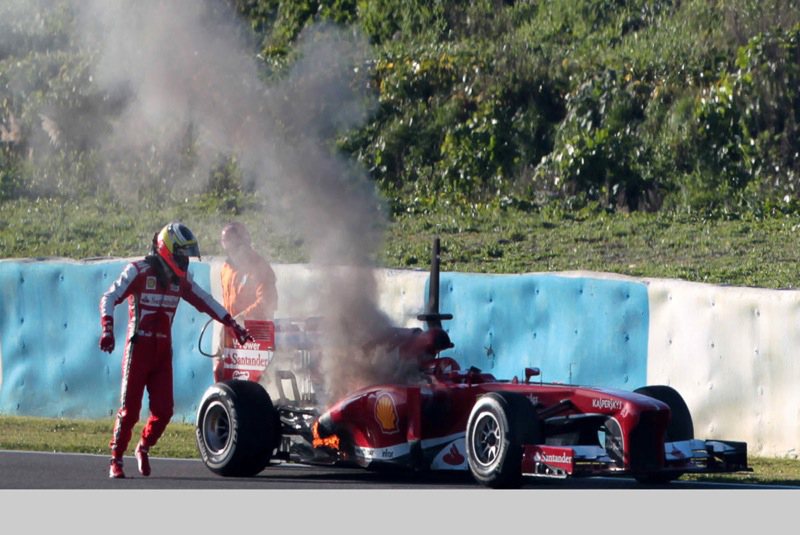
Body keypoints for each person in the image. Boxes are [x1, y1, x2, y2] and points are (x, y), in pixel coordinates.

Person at [99, 221, 251, 479]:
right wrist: (107, 328)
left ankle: (143, 447)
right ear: (168, 250)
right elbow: (109, 297)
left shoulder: (181, 281)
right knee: (130, 410)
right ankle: (116, 458)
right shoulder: (138, 271)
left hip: (162, 353)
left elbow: (205, 301)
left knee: (165, 410)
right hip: (138, 349)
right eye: (182, 253)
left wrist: (231, 323)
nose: (185, 260)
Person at [213, 221, 278, 382]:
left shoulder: (260, 268)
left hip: (254, 335)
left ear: (245, 243)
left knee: (253, 382)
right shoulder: (226, 269)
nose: (234, 251)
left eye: (237, 246)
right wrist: (226, 324)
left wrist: (242, 317)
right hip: (230, 332)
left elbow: (268, 301)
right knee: (220, 372)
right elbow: (227, 303)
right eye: (229, 247)